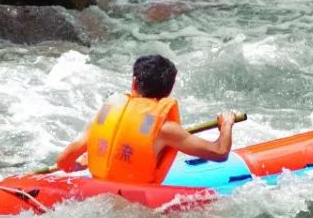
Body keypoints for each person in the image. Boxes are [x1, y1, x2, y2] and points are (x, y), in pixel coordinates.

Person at [55, 55, 237, 183]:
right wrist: (226, 124)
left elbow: (63, 162)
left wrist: (79, 165)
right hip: (138, 211)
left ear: (134, 82)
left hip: (97, 200)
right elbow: (219, 152)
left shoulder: (104, 116)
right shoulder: (165, 129)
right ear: (169, 91)